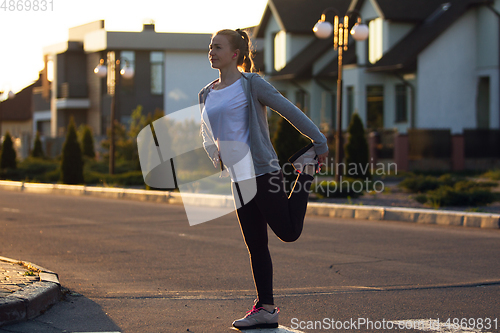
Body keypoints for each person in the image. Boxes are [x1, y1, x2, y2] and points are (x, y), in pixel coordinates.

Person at [198, 28, 329, 330]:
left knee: (288, 232)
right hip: (238, 179)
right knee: (256, 243)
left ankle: (306, 171)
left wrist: (319, 142)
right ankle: (266, 308)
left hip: (263, 170)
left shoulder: (251, 84)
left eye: (218, 47)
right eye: (210, 46)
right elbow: (205, 131)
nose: (211, 51)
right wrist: (213, 154)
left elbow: (289, 111)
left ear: (235, 54)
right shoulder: (207, 93)